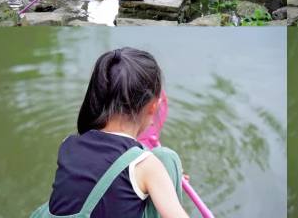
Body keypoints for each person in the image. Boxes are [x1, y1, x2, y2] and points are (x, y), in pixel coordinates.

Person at [31, 47, 189, 218]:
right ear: (153, 106)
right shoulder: (147, 165)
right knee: (166, 156)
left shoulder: (68, 145)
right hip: (145, 169)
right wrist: (161, 180)